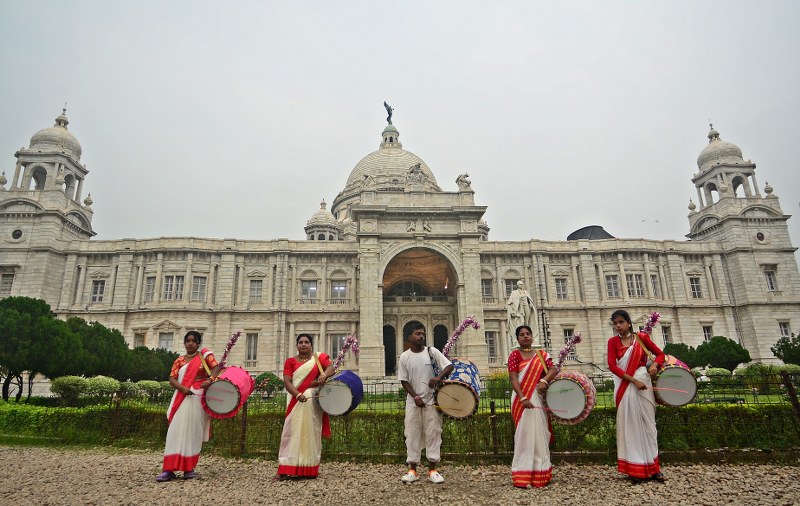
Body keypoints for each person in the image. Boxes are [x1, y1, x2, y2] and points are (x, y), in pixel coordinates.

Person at [607, 309, 667, 483]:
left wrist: (655, 365)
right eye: (615, 323)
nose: (618, 326)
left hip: (644, 383)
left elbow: (660, 354)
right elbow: (613, 366)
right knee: (630, 426)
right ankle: (636, 468)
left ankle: (655, 468)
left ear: (629, 323)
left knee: (649, 425)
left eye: (621, 322)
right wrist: (633, 381)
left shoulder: (641, 338)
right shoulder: (612, 342)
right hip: (627, 385)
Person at [156, 331, 220, 482]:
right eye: (188, 341)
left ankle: (188, 468)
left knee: (193, 431)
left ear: (198, 343)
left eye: (194, 341)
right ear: (184, 343)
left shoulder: (204, 356)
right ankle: (168, 469)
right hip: (182, 396)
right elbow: (172, 378)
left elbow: (216, 367)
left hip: (197, 397)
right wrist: (183, 389)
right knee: (174, 431)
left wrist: (210, 380)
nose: (190, 343)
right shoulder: (179, 360)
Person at [398, 323, 454, 484]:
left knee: (433, 432)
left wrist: (438, 378)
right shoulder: (404, 357)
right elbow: (404, 381)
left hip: (431, 400)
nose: (421, 336)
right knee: (411, 433)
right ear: (409, 337)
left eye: (422, 333)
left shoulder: (432, 351)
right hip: (413, 401)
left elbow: (449, 366)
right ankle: (412, 469)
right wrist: (415, 396)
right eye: (417, 334)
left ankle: (432, 469)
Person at [275, 334, 335, 480]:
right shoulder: (290, 362)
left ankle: (309, 469)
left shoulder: (318, 359)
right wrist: (297, 395)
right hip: (295, 401)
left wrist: (324, 375)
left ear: (311, 345)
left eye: (306, 342)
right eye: (300, 342)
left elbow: (331, 368)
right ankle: (285, 468)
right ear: (296, 346)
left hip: (312, 404)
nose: (303, 344)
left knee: (311, 434)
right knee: (289, 434)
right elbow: (287, 381)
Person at [508, 325, 559, 488]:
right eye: (521, 334)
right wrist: (523, 397)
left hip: (537, 398)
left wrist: (544, 380)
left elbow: (553, 369)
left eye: (528, 333)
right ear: (517, 339)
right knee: (524, 435)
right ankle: (522, 473)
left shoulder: (541, 355)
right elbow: (514, 378)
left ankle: (541, 473)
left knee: (539, 435)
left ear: (532, 336)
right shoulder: (514, 355)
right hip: (521, 400)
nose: (525, 336)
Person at [506, 281, 540, 347]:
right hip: (519, 309)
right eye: (520, 284)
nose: (521, 285)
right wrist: (512, 309)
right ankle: (520, 336)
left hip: (526, 307)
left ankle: (528, 333)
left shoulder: (526, 292)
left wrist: (530, 304)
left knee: (527, 321)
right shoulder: (514, 292)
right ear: (517, 285)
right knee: (521, 322)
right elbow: (510, 301)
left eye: (522, 284)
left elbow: (529, 300)